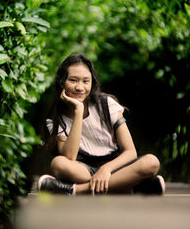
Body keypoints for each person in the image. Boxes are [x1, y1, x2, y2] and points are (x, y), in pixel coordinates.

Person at [38, 53, 165, 195]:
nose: (80, 87)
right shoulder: (56, 120)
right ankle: (129, 187)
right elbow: (70, 157)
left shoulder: (106, 104)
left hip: (115, 165)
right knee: (58, 164)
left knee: (152, 162)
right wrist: (78, 112)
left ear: (92, 83)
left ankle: (76, 190)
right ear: (62, 82)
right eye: (73, 80)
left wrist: (106, 170)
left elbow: (130, 152)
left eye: (86, 81)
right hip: (84, 170)